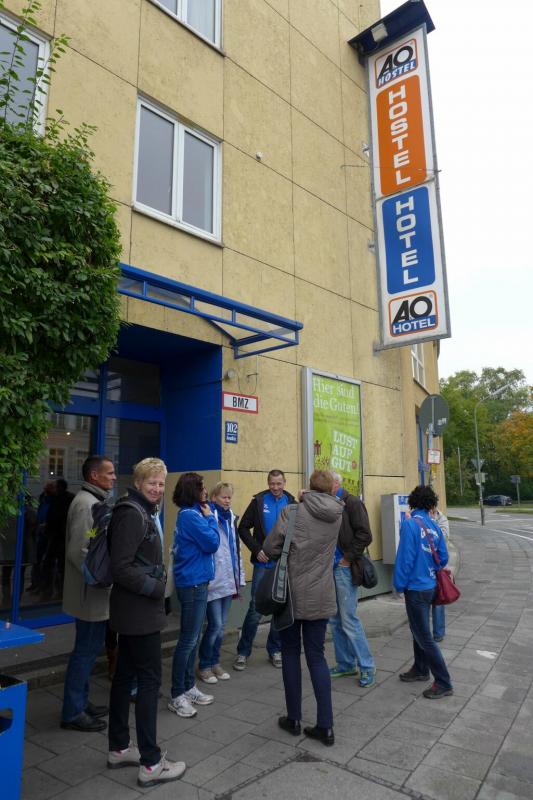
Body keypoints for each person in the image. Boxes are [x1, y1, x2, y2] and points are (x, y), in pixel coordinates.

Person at [107, 457, 186, 788]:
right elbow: (121, 567)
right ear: (138, 483)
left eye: (161, 483)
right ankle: (151, 764)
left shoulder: (142, 510)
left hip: (134, 611)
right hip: (139, 613)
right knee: (150, 682)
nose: (157, 488)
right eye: (152, 482)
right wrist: (156, 589)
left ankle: (119, 748)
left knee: (124, 677)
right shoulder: (132, 513)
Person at [262, 470, 344, 747]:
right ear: (331, 490)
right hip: (321, 595)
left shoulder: (292, 511)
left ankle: (294, 719)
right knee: (317, 657)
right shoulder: (337, 514)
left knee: (289, 653)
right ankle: (326, 726)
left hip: (291, 596)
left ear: (308, 487)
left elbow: (270, 546)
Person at [61, 456, 116, 732]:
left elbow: (92, 539)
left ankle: (80, 702)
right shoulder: (86, 504)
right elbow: (79, 551)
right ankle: (73, 712)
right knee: (84, 652)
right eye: (110, 472)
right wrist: (101, 579)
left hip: (92, 593)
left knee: (89, 650)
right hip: (89, 594)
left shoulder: (93, 501)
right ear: (94, 476)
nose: (114, 477)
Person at [393, 485, 453, 700]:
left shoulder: (410, 524)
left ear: (412, 502)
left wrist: (399, 584)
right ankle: (420, 669)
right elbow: (443, 557)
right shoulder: (434, 525)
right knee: (417, 629)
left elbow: (405, 559)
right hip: (430, 585)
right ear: (431, 504)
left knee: (424, 636)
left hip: (415, 588)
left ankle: (444, 682)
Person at [168, 472, 220, 718]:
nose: (205, 491)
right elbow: (212, 543)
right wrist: (210, 519)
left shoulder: (193, 514)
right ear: (192, 491)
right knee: (188, 640)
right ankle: (177, 693)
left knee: (193, 638)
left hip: (197, 581)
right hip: (192, 583)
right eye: (201, 487)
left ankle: (188, 687)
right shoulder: (191, 516)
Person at [234, 469, 296, 671]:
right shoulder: (259, 501)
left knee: (279, 607)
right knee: (255, 609)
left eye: (279, 483)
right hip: (262, 565)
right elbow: (243, 528)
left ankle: (275, 649)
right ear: (268, 483)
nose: (275, 487)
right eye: (272, 484)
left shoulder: (292, 503)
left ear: (285, 483)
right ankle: (243, 652)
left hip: (282, 565)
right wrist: (256, 549)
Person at [328, 473, 376, 688]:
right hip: (331, 569)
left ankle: (367, 666)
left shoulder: (352, 502)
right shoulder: (329, 502)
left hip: (345, 569)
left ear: (336, 483)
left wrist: (347, 558)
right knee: (335, 620)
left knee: (348, 619)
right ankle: (346, 664)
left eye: (326, 483)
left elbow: (365, 534)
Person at [198, 482, 245, 684]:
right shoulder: (208, 516)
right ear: (214, 497)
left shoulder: (231, 518)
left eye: (229, 497)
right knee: (215, 625)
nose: (227, 500)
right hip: (214, 580)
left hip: (229, 579)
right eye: (223, 497)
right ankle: (204, 665)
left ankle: (215, 662)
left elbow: (236, 550)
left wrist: (239, 577)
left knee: (222, 626)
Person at [41, 478, 74, 600]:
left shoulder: (62, 499)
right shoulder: (61, 498)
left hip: (59, 537)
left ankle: (55, 592)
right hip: (60, 536)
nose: (52, 489)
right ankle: (58, 591)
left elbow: (55, 517)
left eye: (54, 487)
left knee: (54, 565)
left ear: (59, 488)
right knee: (57, 565)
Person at [431, 508, 449, 642]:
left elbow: (444, 536)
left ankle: (438, 633)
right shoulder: (418, 518)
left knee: (438, 600)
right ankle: (423, 633)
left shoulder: (441, 517)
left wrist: (431, 523)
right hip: (424, 565)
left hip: (438, 566)